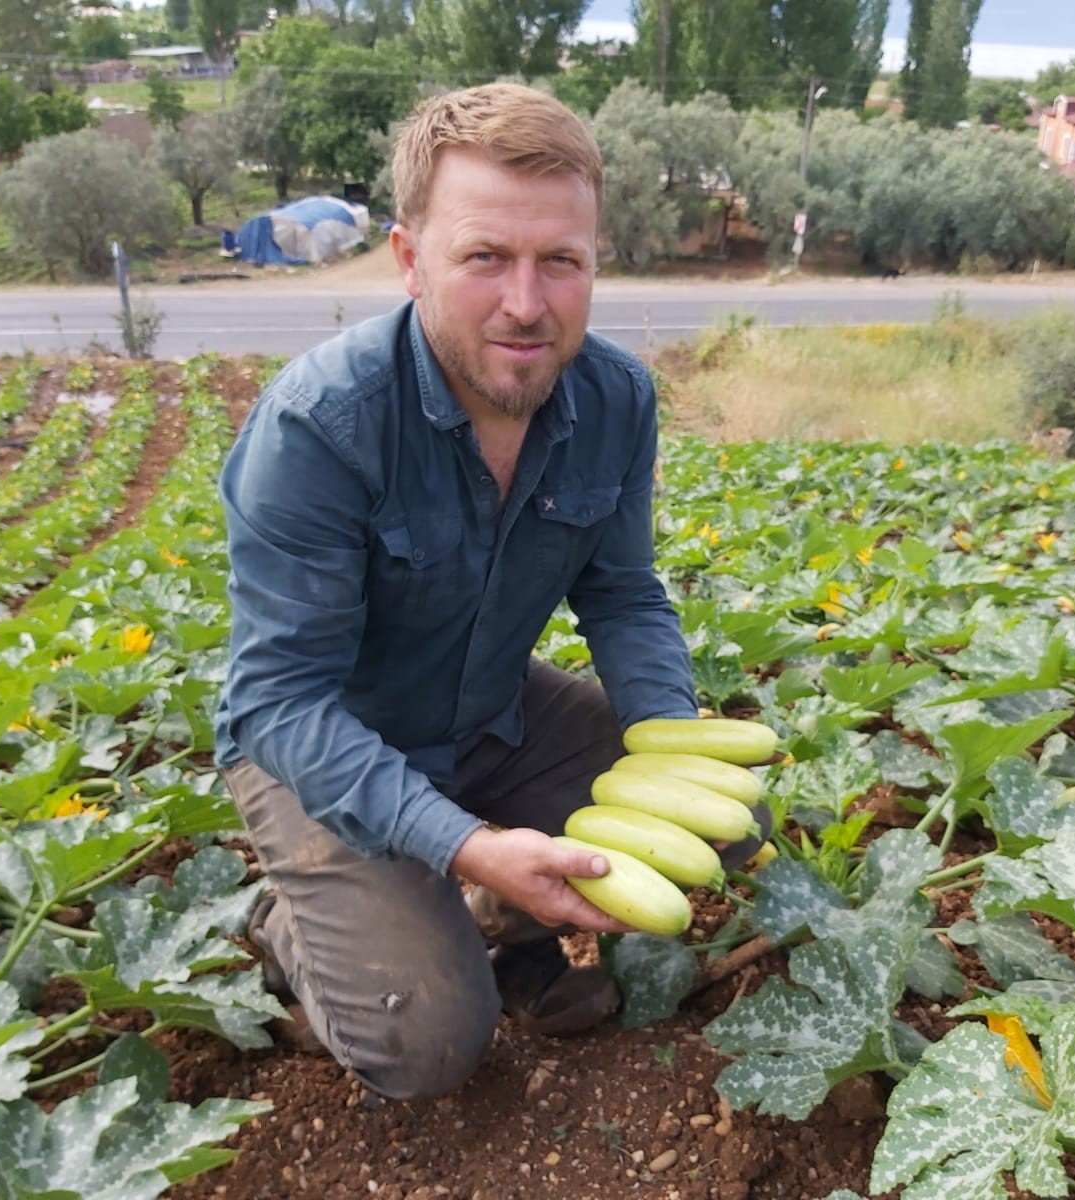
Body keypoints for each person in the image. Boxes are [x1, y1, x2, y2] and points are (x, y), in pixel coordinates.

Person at [215, 83, 757, 1102]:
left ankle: (511, 928)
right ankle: (294, 923)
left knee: (729, 820)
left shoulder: (615, 398)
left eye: (561, 261)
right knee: (427, 1049)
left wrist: (671, 750)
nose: (526, 301)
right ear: (409, 257)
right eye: (483, 258)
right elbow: (279, 703)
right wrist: (459, 843)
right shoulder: (318, 429)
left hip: (489, 709)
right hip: (324, 745)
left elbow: (625, 594)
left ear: (595, 261)